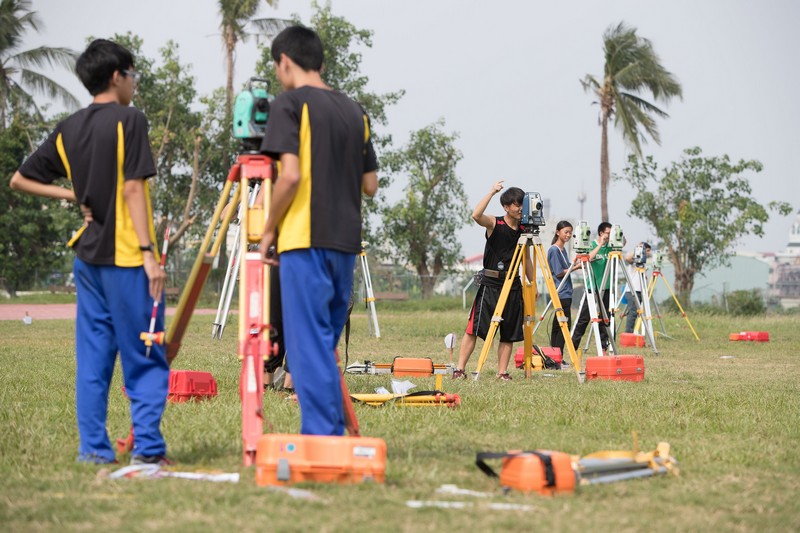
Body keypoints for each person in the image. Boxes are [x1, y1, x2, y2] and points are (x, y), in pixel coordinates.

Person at [9, 39, 170, 465]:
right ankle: (149, 452)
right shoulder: (129, 120)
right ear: (117, 77)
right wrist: (149, 253)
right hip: (128, 260)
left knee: (94, 362)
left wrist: (68, 193)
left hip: (88, 261)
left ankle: (94, 452)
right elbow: (134, 187)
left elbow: (19, 179)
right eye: (132, 75)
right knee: (146, 355)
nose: (134, 84)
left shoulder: (70, 127)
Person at [258, 26, 378, 436]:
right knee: (322, 344)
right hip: (345, 243)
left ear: (284, 62)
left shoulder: (289, 104)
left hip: (304, 239)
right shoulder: (355, 111)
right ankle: (330, 434)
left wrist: (268, 229)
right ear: (321, 62)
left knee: (307, 348)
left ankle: (322, 438)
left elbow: (288, 176)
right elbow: (370, 185)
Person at [454, 181, 534, 380]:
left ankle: (502, 372)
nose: (520, 209)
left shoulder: (525, 230)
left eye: (522, 204)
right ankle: (460, 369)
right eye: (517, 205)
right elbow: (476, 216)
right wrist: (490, 192)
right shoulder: (495, 223)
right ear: (506, 207)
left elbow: (527, 258)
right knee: (473, 329)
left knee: (508, 333)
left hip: (513, 284)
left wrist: (531, 281)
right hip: (491, 285)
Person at [570, 222, 613, 353]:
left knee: (605, 320)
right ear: (601, 233)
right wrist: (600, 244)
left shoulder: (610, 248)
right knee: (584, 319)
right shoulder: (592, 245)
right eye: (608, 233)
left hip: (606, 288)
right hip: (592, 289)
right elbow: (589, 257)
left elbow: (623, 243)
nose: (609, 236)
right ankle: (573, 346)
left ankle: (604, 346)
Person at [546, 220, 576, 361]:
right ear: (558, 232)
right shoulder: (554, 250)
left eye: (570, 232)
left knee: (559, 325)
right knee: (563, 325)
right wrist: (575, 267)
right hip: (560, 291)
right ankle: (557, 356)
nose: (568, 235)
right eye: (566, 232)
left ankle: (555, 355)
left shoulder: (563, 250)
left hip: (566, 291)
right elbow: (559, 272)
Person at [624, 242, 652, 334]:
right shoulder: (635, 260)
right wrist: (638, 248)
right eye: (647, 251)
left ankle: (634, 332)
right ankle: (628, 333)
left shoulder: (643, 262)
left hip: (640, 291)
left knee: (635, 313)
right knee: (632, 313)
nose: (648, 253)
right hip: (632, 290)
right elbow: (627, 258)